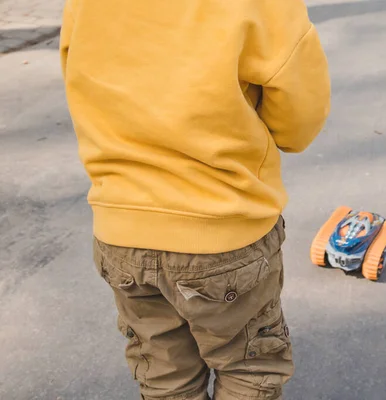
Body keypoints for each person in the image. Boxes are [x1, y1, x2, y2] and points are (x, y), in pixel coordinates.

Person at [59, 0, 330, 398]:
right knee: (248, 367)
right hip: (222, 228)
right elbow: (298, 119)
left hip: (122, 229)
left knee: (164, 375)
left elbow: (75, 75)